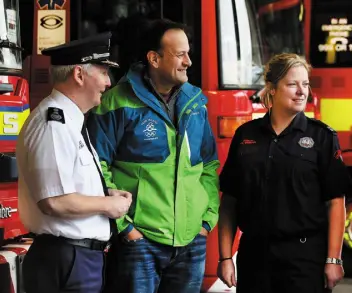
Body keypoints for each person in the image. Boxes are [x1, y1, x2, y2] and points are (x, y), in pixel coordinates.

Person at [86, 19, 220, 293]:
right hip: (139, 242)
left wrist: (206, 221)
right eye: (180, 54)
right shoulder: (116, 102)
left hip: (190, 241)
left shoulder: (196, 104)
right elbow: (96, 167)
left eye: (188, 53)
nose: (189, 62)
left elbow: (208, 165)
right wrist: (127, 229)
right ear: (154, 59)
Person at [217, 53, 351, 293]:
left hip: (304, 258)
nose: (302, 91)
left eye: (306, 84)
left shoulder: (322, 136)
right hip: (254, 257)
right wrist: (225, 257)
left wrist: (334, 259)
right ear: (272, 88)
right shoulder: (246, 135)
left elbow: (335, 201)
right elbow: (229, 200)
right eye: (292, 84)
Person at [16, 32, 132, 293]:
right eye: (103, 72)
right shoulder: (53, 123)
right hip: (68, 259)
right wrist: (107, 205)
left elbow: (68, 186)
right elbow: (54, 201)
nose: (108, 82)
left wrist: (105, 193)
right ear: (79, 74)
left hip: (77, 258)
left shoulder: (71, 121)